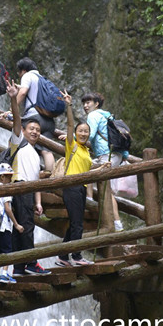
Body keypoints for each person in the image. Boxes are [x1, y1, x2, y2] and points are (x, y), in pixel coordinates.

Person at [55, 91, 108, 267]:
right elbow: (70, 125)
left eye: (86, 132)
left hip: (81, 188)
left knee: (75, 224)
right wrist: (69, 105)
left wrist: (102, 167)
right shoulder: (73, 145)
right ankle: (76, 256)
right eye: (81, 131)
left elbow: (88, 168)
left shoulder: (85, 151)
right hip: (71, 186)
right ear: (76, 133)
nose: (84, 134)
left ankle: (63, 256)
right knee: (77, 224)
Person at [6, 80, 51, 276]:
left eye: (38, 130)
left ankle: (18, 267)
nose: (34, 131)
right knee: (27, 227)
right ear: (23, 131)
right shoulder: (19, 142)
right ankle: (31, 263)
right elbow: (16, 119)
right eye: (31, 128)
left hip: (28, 192)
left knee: (20, 228)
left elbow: (37, 181)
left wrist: (38, 202)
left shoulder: (35, 153)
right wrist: (14, 99)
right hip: (19, 187)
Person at [82, 92, 128, 232]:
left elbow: (89, 134)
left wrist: (71, 137)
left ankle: (90, 201)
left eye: (88, 102)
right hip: (116, 154)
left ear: (96, 104)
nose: (85, 105)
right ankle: (117, 223)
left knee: (90, 173)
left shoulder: (93, 115)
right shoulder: (107, 115)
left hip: (106, 155)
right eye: (84, 103)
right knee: (103, 185)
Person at [2, 57, 56, 172]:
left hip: (35, 117)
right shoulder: (42, 79)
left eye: (19, 72)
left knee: (15, 140)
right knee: (46, 151)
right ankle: (50, 178)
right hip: (49, 121)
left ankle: (11, 168)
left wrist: (11, 109)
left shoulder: (27, 76)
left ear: (23, 70)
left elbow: (23, 92)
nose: (19, 74)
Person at [0, 163, 21, 284]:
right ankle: (4, 274)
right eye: (9, 177)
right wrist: (16, 224)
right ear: (2, 177)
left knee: (0, 250)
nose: (10, 179)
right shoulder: (5, 189)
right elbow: (7, 208)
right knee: (8, 251)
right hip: (3, 226)